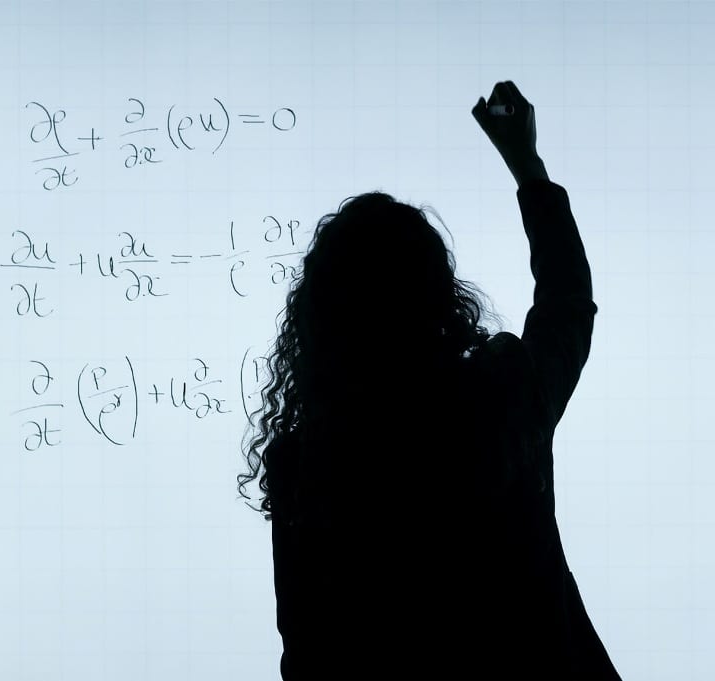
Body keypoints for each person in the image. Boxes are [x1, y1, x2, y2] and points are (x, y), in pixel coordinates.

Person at [238, 81, 622, 680]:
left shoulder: (305, 466)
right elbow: (567, 305)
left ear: (320, 321)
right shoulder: (499, 399)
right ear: (440, 298)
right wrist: (527, 166)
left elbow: (307, 652)